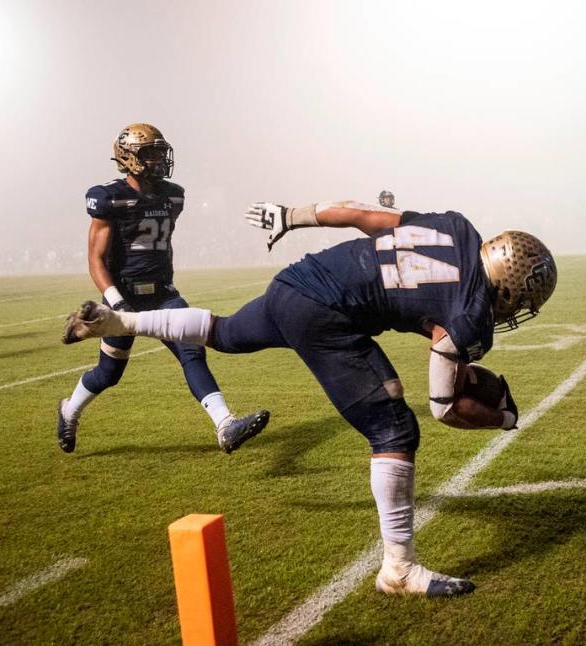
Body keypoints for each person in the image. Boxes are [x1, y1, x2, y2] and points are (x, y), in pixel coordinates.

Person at [62, 199, 557, 597]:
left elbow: (364, 215)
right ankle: (399, 570)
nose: (519, 309)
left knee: (225, 332)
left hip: (299, 280)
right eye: (523, 300)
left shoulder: (457, 227)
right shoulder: (469, 312)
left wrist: (291, 216)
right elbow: (445, 405)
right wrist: (501, 415)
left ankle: (121, 322)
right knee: (394, 429)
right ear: (509, 286)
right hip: (326, 312)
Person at [55, 123, 269, 455]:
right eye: (149, 154)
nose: (158, 160)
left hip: (163, 293)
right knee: (109, 373)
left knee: (192, 351)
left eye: (160, 153)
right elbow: (95, 259)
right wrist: (116, 305)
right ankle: (69, 411)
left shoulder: (173, 195)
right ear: (127, 157)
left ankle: (225, 425)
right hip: (122, 296)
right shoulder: (109, 197)